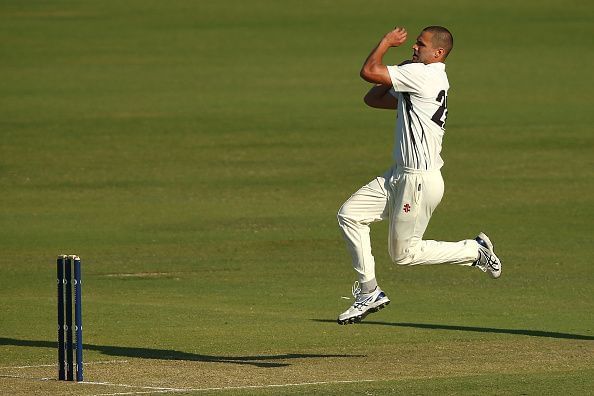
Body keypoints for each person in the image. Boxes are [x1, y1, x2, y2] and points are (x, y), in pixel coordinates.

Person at [337, 26, 502, 325]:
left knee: (403, 255)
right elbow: (373, 99)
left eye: (421, 45)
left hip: (419, 181)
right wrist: (399, 70)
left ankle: (473, 251)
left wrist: (386, 43)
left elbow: (369, 71)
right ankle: (369, 291)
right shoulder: (422, 77)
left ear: (437, 53)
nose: (414, 47)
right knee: (350, 214)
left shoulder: (426, 75)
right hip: (398, 175)